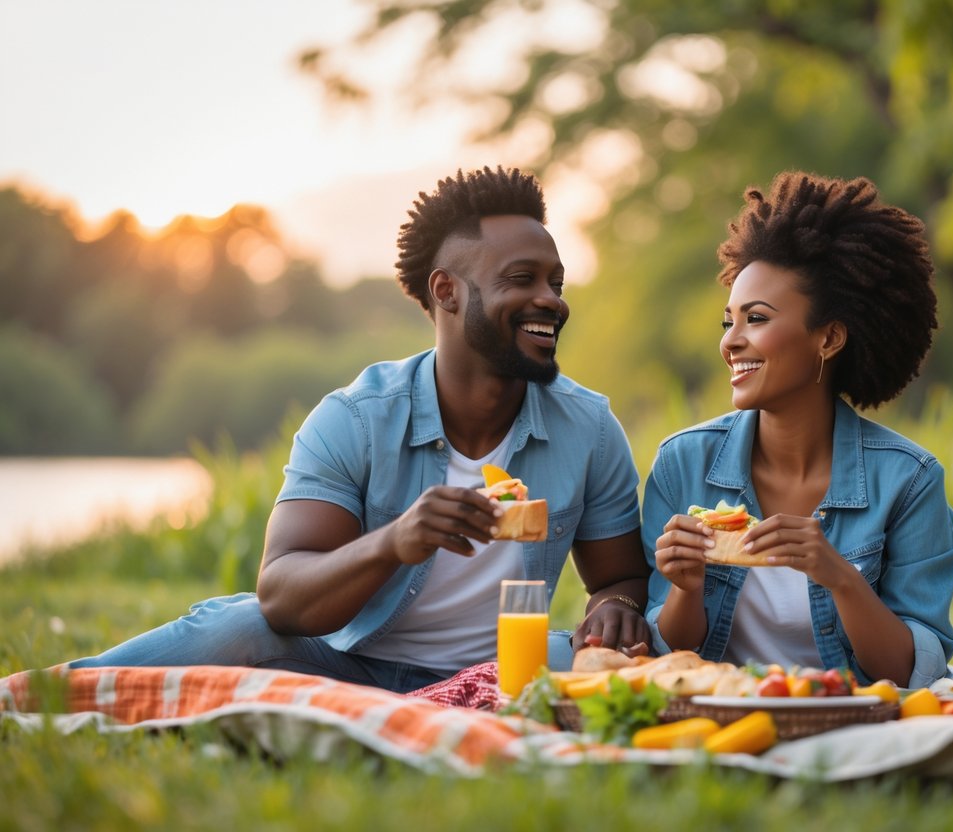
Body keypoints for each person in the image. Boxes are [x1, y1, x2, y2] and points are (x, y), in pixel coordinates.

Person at [71, 166, 651, 692]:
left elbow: (619, 577)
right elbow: (281, 597)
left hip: (505, 671)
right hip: (348, 668)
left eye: (557, 282)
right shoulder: (356, 419)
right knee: (240, 623)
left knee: (639, 658)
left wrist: (616, 605)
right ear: (446, 290)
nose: (550, 300)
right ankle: (48, 695)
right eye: (522, 279)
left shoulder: (589, 427)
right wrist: (395, 541)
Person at [643, 171, 953, 689]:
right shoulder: (684, 463)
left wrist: (838, 575)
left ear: (829, 338)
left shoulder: (909, 480)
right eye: (729, 322)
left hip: (854, 717)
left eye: (758, 319)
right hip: (725, 715)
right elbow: (668, 656)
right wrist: (684, 588)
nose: (731, 342)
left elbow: (910, 671)